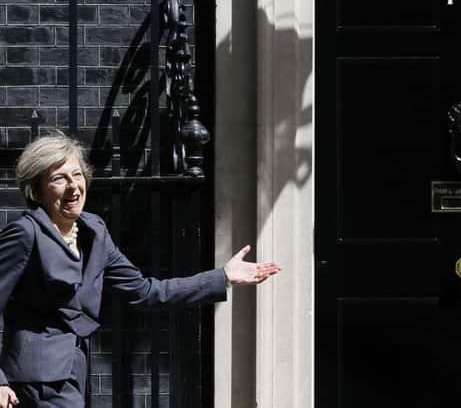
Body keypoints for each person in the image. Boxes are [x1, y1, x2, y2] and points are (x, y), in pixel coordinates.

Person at [0, 132, 281, 408]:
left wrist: (222, 277)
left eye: (77, 175)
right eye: (58, 179)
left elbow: (145, 291)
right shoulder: (26, 234)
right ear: (36, 190)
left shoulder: (94, 231)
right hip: (34, 380)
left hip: (71, 373)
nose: (73, 186)